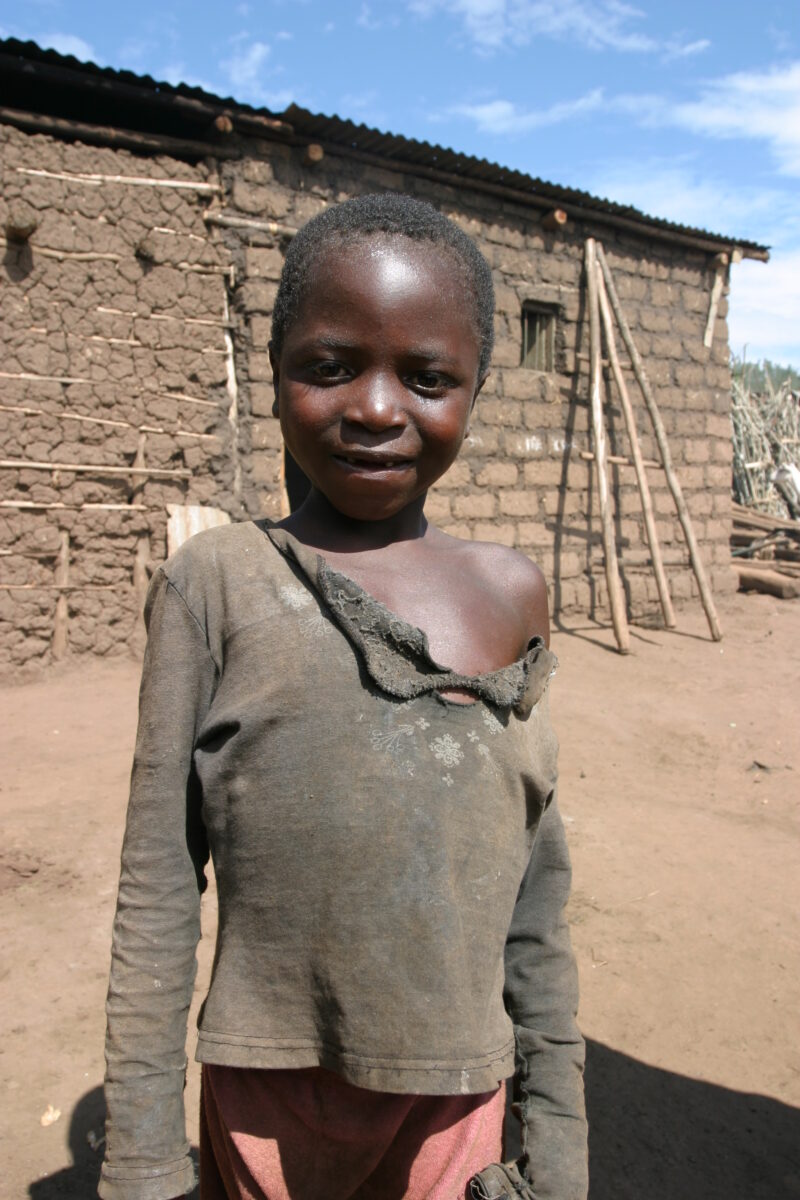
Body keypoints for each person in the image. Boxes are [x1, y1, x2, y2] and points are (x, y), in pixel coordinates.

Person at [99, 193, 587, 1200]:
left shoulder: (512, 594)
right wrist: (143, 1160)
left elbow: (532, 892)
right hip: (268, 1101)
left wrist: (556, 1135)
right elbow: (155, 884)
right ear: (276, 376)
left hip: (457, 1103)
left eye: (426, 377)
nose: (373, 407)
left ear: (474, 390)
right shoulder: (219, 582)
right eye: (328, 366)